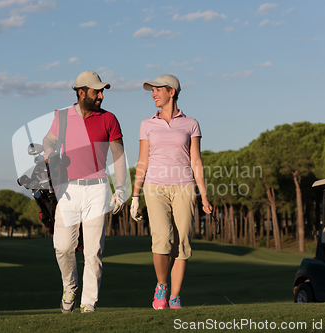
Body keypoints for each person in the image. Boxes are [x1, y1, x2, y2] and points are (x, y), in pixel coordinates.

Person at [42, 70, 126, 313]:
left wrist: (120, 188)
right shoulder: (62, 117)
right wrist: (49, 151)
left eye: (102, 91)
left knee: (93, 250)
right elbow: (49, 139)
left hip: (98, 189)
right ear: (81, 93)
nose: (101, 95)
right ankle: (69, 287)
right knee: (63, 247)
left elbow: (118, 157)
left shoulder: (109, 119)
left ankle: (88, 303)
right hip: (68, 190)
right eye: (96, 91)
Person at [130, 74, 212, 310]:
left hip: (184, 186)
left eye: (157, 90)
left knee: (182, 243)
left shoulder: (191, 123)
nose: (153, 94)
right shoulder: (147, 124)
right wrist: (135, 196)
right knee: (162, 239)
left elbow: (196, 160)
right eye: (152, 91)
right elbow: (142, 160)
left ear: (171, 92)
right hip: (154, 187)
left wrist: (203, 196)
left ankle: (175, 296)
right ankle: (162, 285)